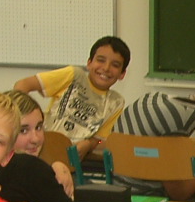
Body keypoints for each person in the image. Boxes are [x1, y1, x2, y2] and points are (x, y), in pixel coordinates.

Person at [12, 35, 130, 163]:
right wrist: (27, 120)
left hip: (70, 161)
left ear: (122, 74)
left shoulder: (116, 102)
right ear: (89, 63)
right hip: (40, 149)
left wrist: (88, 144)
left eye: (115, 65)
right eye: (100, 60)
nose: (106, 68)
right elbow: (22, 85)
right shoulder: (74, 75)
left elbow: (99, 139)